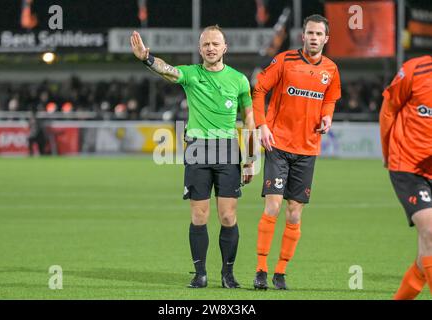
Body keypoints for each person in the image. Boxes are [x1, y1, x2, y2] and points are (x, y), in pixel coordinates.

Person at [130, 25, 255, 288]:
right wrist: (147, 59)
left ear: (225, 48)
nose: (210, 48)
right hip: (197, 149)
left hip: (228, 150)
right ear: (200, 49)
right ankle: (200, 274)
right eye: (206, 44)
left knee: (228, 217)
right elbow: (168, 70)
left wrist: (251, 159)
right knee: (199, 216)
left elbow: (250, 122)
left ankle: (228, 274)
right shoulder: (190, 74)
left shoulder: (240, 80)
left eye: (215, 44)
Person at [252, 14, 341, 290]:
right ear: (303, 36)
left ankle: (280, 273)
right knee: (274, 206)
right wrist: (261, 126)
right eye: (310, 33)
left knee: (294, 213)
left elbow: (330, 99)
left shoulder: (331, 69)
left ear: (326, 38)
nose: (313, 38)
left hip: (307, 149)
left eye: (319, 34)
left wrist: (327, 117)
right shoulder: (285, 61)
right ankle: (261, 270)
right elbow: (258, 90)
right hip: (278, 145)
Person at [379, 55, 432, 300]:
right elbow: (388, 109)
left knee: (426, 255)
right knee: (430, 230)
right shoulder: (416, 70)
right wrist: (387, 150)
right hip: (408, 164)